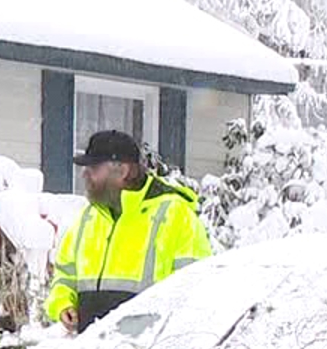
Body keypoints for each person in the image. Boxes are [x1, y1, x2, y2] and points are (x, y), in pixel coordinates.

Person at [45, 130, 211, 332]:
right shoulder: (88, 218)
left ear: (122, 170)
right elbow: (64, 275)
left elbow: (195, 287)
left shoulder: (176, 216)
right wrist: (63, 304)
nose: (85, 174)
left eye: (94, 167)